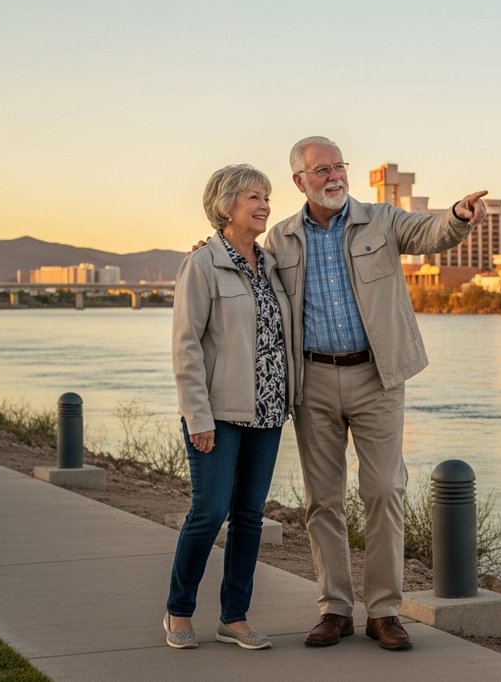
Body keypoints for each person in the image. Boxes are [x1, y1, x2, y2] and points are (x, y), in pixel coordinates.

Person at [263, 136, 485, 650]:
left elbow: (432, 232)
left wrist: (458, 213)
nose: (335, 175)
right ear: (299, 181)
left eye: (340, 166)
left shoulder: (382, 220)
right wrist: (210, 250)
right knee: (323, 500)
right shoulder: (281, 239)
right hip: (312, 380)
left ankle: (384, 610)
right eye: (322, 170)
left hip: (377, 377)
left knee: (385, 488)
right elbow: (247, 268)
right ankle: (334, 608)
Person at [166, 164, 294, 651]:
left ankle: (234, 617)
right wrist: (197, 416)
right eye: (253, 198)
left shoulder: (272, 264)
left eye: (266, 197)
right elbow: (187, 346)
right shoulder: (201, 264)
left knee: (249, 515)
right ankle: (179, 610)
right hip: (218, 412)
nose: (264, 206)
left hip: (267, 412)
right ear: (225, 206)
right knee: (209, 511)